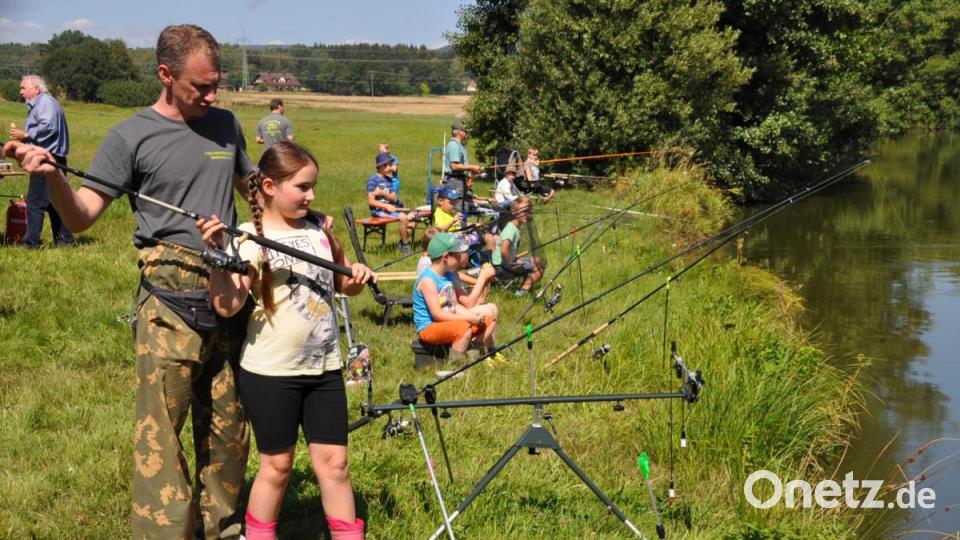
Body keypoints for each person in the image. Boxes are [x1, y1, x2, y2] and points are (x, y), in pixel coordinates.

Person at [4, 24, 253, 539]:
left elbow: (255, 192)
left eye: (216, 84)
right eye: (199, 87)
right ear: (165, 74)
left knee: (229, 440)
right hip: (169, 308)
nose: (211, 96)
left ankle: (224, 529)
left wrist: (299, 210)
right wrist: (52, 175)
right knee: (161, 442)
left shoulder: (227, 125)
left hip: (230, 299)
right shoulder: (130, 135)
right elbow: (81, 218)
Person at [197, 142, 373, 540]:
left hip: (325, 368)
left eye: (313, 187)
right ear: (271, 186)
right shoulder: (245, 238)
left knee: (336, 465)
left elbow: (343, 284)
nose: (311, 196)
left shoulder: (319, 232)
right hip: (271, 371)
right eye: (303, 187)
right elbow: (227, 305)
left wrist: (357, 274)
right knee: (277, 466)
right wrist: (215, 256)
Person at [413, 232, 504, 364]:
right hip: (429, 327)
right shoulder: (428, 280)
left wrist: (475, 317)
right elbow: (437, 314)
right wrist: (468, 318)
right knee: (464, 329)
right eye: (458, 254)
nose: (461, 256)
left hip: (446, 321)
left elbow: (453, 306)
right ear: (446, 257)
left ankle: (473, 357)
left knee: (489, 321)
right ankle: (457, 367)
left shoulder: (446, 275)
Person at [7, 75, 74, 247]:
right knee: (54, 202)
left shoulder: (45, 103)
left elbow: (49, 127)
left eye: (23, 88)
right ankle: (65, 241)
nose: (21, 92)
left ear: (36, 89)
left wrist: (27, 135)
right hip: (50, 158)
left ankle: (31, 242)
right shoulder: (40, 103)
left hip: (46, 159)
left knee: (35, 201)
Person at [492, 197, 544, 297]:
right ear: (514, 212)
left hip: (505, 262)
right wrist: (513, 263)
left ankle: (526, 283)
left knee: (538, 260)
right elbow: (504, 250)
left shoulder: (515, 227)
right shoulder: (511, 229)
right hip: (501, 267)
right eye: (523, 211)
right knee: (540, 268)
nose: (526, 214)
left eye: (528, 211)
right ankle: (521, 292)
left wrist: (515, 259)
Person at [367, 151, 416, 253]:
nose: (391, 166)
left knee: (413, 219)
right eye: (389, 164)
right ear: (381, 166)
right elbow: (371, 201)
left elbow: (393, 198)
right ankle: (406, 246)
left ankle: (402, 243)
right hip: (378, 211)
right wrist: (385, 206)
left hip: (389, 209)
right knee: (403, 217)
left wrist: (384, 194)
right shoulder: (373, 180)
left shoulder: (389, 180)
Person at [442, 119, 482, 196]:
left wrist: (470, 175)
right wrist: (472, 167)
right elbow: (454, 166)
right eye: (465, 131)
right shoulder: (454, 145)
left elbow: (463, 165)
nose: (467, 133)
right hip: (453, 182)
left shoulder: (461, 146)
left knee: (463, 206)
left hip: (460, 180)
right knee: (456, 207)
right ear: (459, 132)